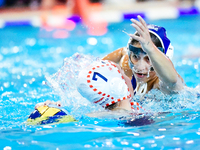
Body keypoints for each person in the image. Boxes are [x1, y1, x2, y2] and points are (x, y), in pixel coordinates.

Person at [103, 15, 184, 96]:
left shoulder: (161, 86)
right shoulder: (127, 65)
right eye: (135, 56)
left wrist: (151, 49)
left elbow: (173, 81)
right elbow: (121, 52)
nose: (139, 67)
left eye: (149, 59)